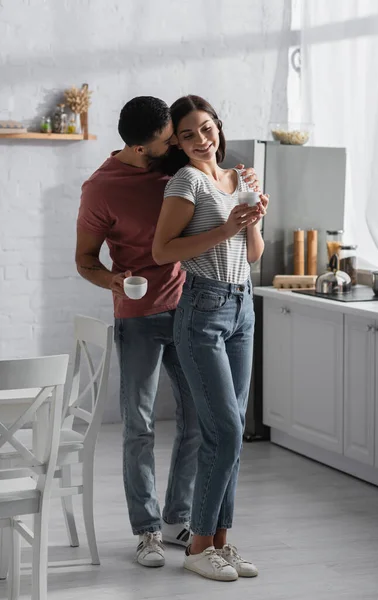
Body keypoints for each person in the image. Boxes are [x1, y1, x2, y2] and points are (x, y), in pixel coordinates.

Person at [75, 96, 260, 568]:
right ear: (141, 148)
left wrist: (246, 193)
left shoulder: (180, 167)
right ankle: (148, 530)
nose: (182, 145)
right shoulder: (101, 189)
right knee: (138, 423)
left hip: (193, 306)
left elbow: (214, 187)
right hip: (138, 314)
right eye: (169, 141)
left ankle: (182, 518)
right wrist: (111, 280)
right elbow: (85, 259)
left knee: (201, 420)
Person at [152, 95, 268, 582]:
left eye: (207, 129)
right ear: (177, 142)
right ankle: (199, 545)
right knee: (221, 431)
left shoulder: (239, 179)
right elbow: (162, 251)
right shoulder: (186, 181)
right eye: (188, 134)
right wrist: (224, 228)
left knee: (234, 431)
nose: (202, 140)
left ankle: (221, 541)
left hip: (242, 306)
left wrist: (253, 217)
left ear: (218, 127)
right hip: (202, 310)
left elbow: (255, 254)